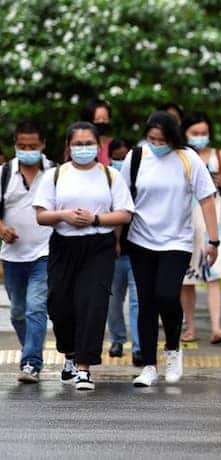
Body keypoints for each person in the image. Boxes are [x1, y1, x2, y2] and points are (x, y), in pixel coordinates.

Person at [33, 121, 134, 390]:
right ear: (68, 147)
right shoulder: (55, 175)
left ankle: (84, 368)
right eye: (77, 144)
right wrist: (64, 215)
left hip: (98, 247)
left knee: (92, 303)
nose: (83, 148)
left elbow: (125, 213)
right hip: (63, 247)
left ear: (98, 146)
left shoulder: (110, 175)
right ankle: (69, 353)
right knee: (60, 305)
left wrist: (96, 219)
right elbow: (41, 215)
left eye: (89, 143)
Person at [122, 111, 219, 387]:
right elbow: (123, 199)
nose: (155, 144)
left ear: (173, 138)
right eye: (151, 138)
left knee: (166, 296)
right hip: (140, 239)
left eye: (161, 139)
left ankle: (173, 349)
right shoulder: (137, 157)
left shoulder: (188, 159)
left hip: (176, 241)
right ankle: (149, 366)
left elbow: (207, 199)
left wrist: (214, 241)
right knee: (146, 302)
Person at [1, 122, 54, 383]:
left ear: (42, 145)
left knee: (35, 307)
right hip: (12, 256)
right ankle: (29, 349)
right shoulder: (4, 173)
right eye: (22, 146)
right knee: (18, 312)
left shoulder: (55, 173)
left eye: (32, 147)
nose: (27, 151)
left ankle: (31, 362)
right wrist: (1, 228)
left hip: (45, 253)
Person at [179, 112, 221, 345]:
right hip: (185, 221)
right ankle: (189, 327)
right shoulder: (180, 156)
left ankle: (216, 327)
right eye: (195, 133)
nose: (201, 137)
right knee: (186, 279)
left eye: (204, 133)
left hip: (214, 222)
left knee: (214, 276)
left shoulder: (218, 155)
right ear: (185, 134)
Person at [106, 138, 142, 365]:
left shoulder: (140, 180)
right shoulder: (108, 181)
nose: (120, 162)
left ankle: (139, 346)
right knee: (114, 299)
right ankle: (117, 339)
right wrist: (115, 241)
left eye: (123, 157)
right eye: (116, 158)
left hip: (138, 249)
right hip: (115, 252)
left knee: (138, 301)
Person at [70, 98, 112, 165]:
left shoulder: (113, 144)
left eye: (105, 119)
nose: (101, 122)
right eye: (97, 119)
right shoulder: (76, 144)